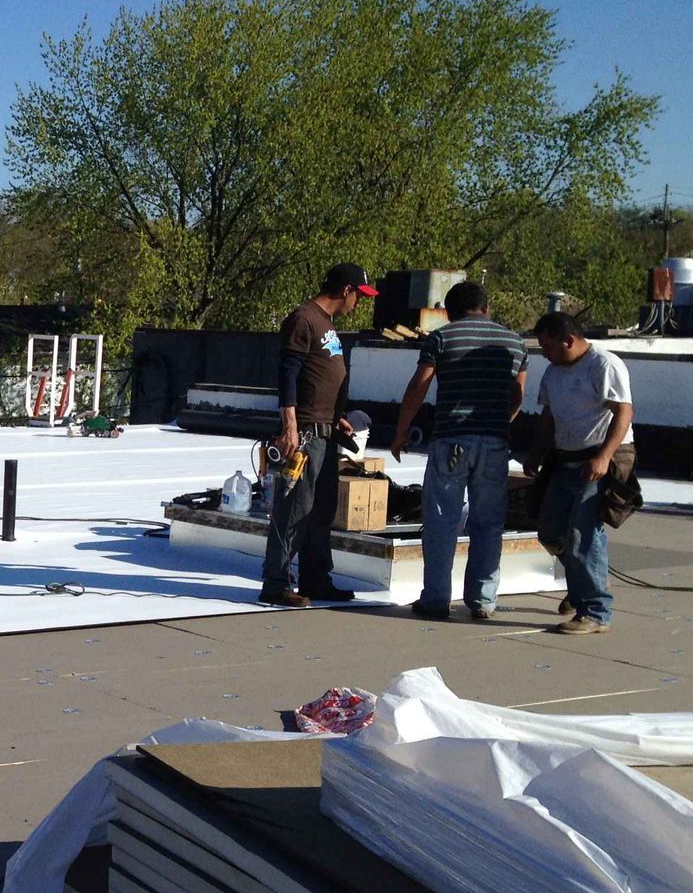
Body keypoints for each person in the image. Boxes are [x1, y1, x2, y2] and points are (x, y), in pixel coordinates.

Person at [390, 281, 528, 621]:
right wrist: (499, 423)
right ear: (486, 307)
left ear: (449, 312)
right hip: (494, 441)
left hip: (450, 439)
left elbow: (418, 386)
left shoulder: (441, 338)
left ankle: (436, 599)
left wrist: (401, 432)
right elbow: (517, 395)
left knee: (441, 520)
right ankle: (483, 599)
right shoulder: (515, 342)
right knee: (489, 522)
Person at [259, 263, 377, 607]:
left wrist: (337, 417)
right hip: (306, 433)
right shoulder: (304, 319)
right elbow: (289, 375)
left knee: (321, 510)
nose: (358, 302)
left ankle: (316, 579)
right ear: (346, 290)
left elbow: (320, 376)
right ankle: (276, 582)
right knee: (295, 508)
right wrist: (290, 426)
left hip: (325, 431)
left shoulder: (326, 324)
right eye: (359, 295)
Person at [524, 313, 634, 635]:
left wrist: (604, 457)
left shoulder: (603, 365)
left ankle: (595, 612)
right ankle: (585, 581)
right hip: (566, 457)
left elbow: (624, 411)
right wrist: (537, 453)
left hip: (601, 457)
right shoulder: (553, 372)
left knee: (582, 534)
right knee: (550, 530)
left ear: (568, 340)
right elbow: (548, 416)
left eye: (547, 346)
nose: (544, 353)